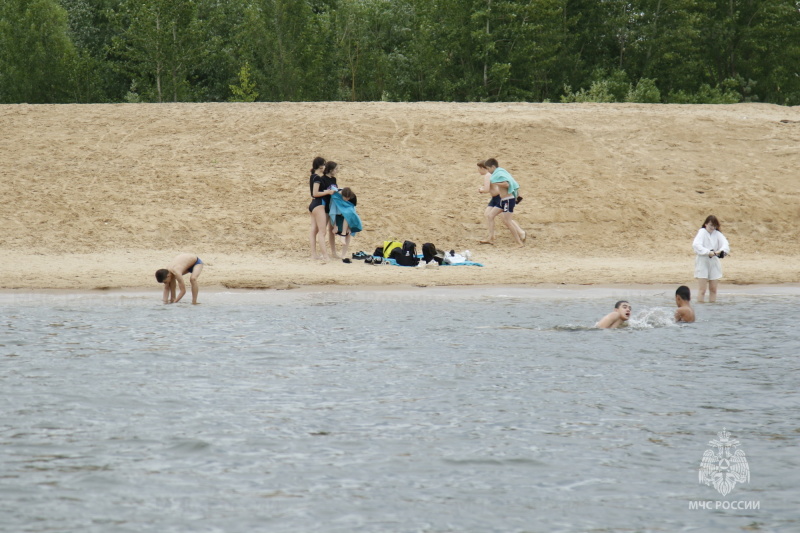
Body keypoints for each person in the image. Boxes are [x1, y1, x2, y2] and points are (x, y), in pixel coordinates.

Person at [483, 158, 526, 247]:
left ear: (493, 167)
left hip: (508, 200)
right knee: (490, 216)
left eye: (488, 168)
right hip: (503, 200)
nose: (488, 171)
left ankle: (519, 242)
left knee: (508, 222)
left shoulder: (499, 174)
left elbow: (507, 184)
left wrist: (496, 183)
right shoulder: (499, 173)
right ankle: (490, 238)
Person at [692, 215, 730, 303]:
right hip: (702, 261)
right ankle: (701, 307)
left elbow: (726, 245)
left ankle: (712, 308)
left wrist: (721, 252)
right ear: (705, 224)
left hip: (714, 262)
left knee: (713, 289)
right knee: (702, 289)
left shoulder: (717, 234)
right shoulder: (702, 232)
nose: (712, 227)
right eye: (710, 225)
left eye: (714, 225)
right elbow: (696, 245)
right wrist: (708, 252)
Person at [309, 156, 334, 260]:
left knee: (314, 230)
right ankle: (325, 255)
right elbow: (315, 193)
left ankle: (314, 254)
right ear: (320, 166)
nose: (324, 166)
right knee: (322, 232)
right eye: (323, 164)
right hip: (319, 204)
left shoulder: (312, 176)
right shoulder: (317, 178)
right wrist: (328, 192)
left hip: (313, 205)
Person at [330, 187, 363, 261]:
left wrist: (349, 227)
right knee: (335, 230)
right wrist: (334, 225)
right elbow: (333, 210)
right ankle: (334, 251)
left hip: (347, 216)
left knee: (349, 232)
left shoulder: (353, 197)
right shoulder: (336, 196)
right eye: (345, 198)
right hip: (337, 215)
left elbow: (352, 210)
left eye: (348, 198)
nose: (347, 200)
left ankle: (343, 254)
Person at [321, 161, 341, 258]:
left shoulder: (334, 179)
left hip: (332, 206)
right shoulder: (322, 179)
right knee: (322, 229)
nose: (337, 171)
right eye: (336, 169)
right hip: (325, 206)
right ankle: (323, 252)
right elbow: (320, 192)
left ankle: (334, 252)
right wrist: (329, 192)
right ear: (330, 169)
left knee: (332, 230)